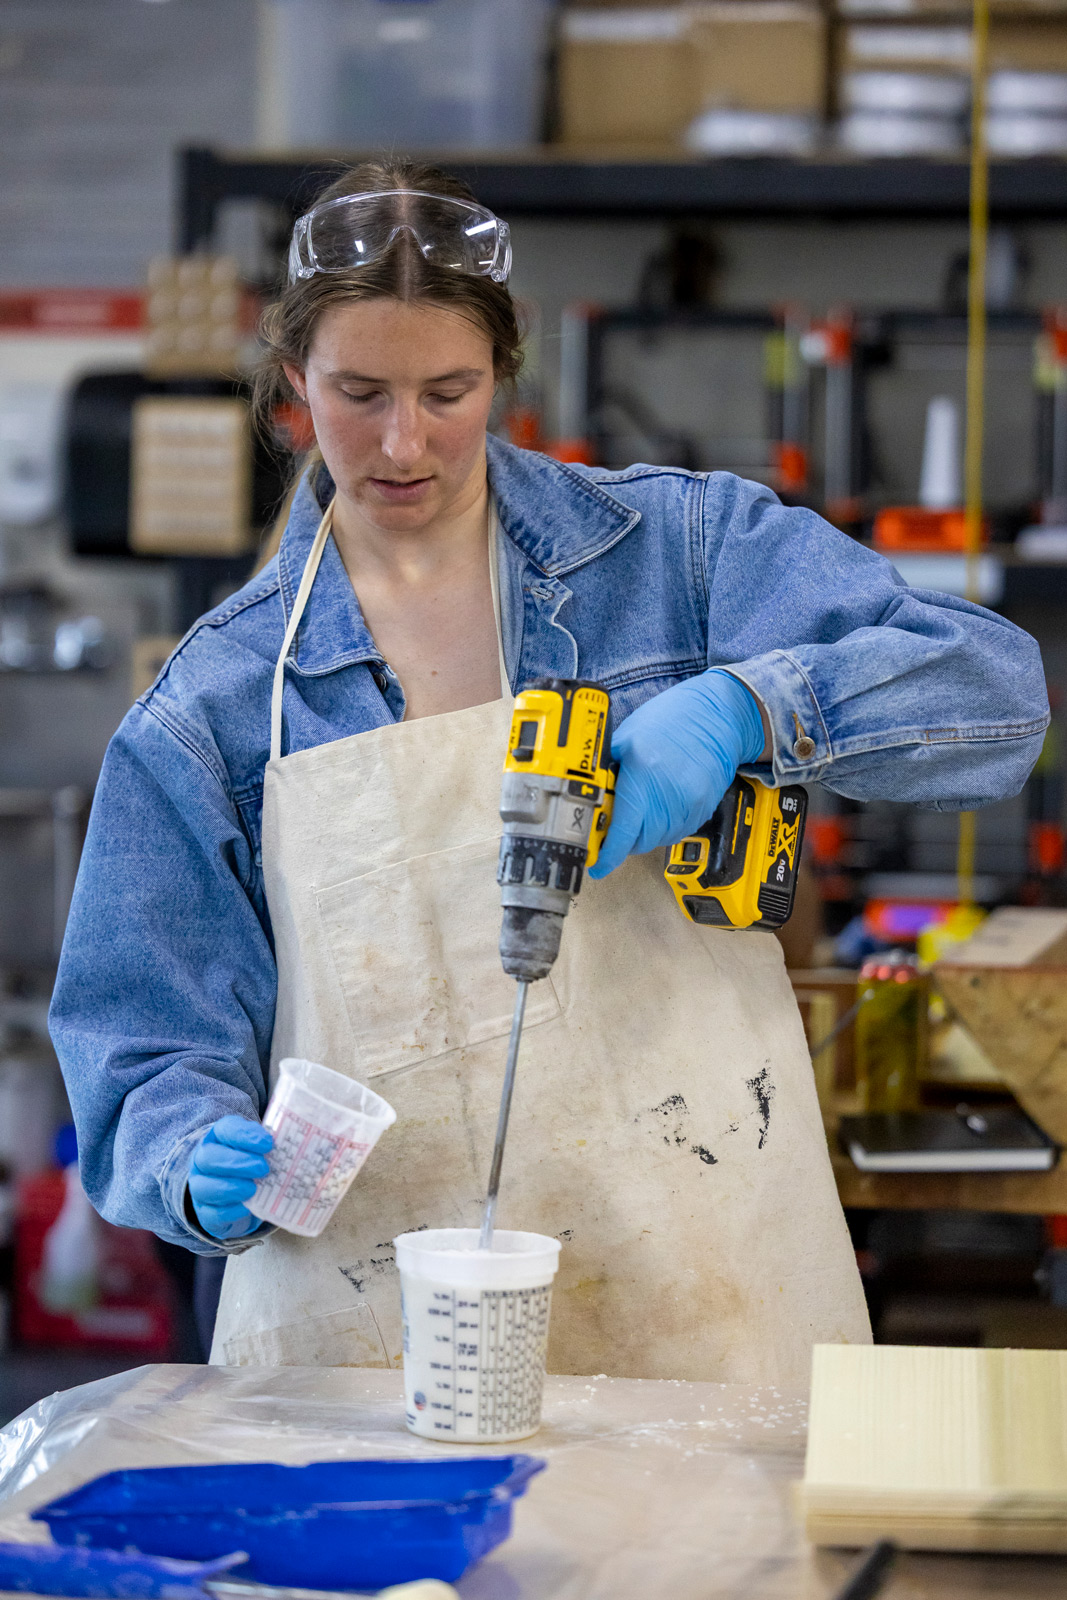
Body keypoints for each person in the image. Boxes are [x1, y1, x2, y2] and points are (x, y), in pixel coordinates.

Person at [51, 160, 1049, 1383]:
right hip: (375, 1339)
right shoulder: (212, 706)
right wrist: (189, 1158)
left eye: (446, 391)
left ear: (503, 377)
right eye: (357, 393)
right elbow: (144, 1045)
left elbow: (996, 699)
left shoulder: (679, 553)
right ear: (292, 386)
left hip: (700, 1285)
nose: (403, 440)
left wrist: (752, 702)